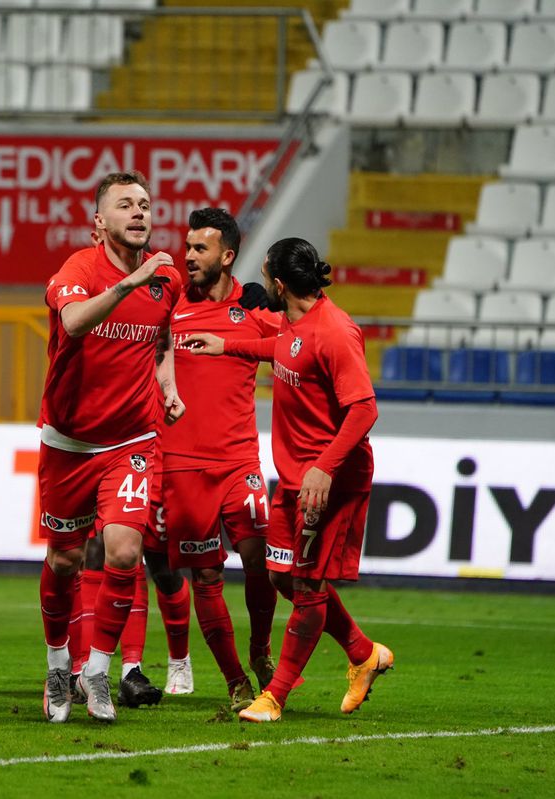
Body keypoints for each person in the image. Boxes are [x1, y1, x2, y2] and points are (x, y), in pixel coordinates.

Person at [185, 237, 393, 723]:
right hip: (295, 478)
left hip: (332, 480)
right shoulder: (294, 325)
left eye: (264, 276)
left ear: (279, 285)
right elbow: (279, 348)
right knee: (282, 576)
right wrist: (227, 346)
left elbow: (364, 409)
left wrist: (325, 467)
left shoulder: (336, 332)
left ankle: (274, 697)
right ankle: (363, 652)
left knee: (308, 582)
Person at [38, 171, 184, 723]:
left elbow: (164, 338)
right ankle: (59, 664)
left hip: (134, 440)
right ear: (100, 222)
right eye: (125, 205)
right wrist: (127, 283)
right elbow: (73, 322)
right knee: (65, 558)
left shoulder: (164, 281)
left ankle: (98, 671)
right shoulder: (80, 269)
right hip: (68, 442)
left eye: (145, 204)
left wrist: (167, 385)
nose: (139, 213)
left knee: (124, 551)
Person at [162, 208, 283, 712]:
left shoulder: (252, 308)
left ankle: (259, 646)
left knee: (261, 560)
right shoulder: (169, 307)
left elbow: (297, 346)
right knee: (206, 576)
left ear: (227, 256)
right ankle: (236, 681)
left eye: (200, 249)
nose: (189, 256)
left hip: (239, 461)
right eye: (187, 247)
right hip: (181, 464)